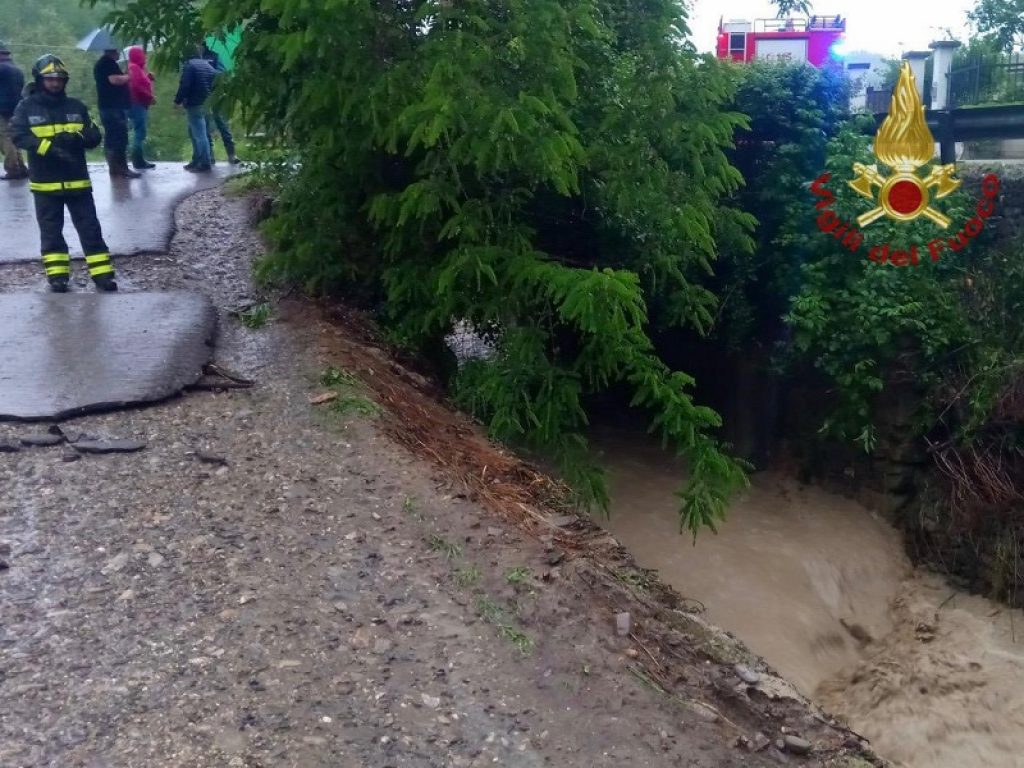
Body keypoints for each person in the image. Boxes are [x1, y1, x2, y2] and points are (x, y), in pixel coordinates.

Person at [11, 54, 118, 293]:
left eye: (59, 79)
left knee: (91, 230)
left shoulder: (76, 106)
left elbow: (94, 135)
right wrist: (48, 148)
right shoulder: (26, 107)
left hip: (78, 182)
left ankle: (103, 276)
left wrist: (78, 137)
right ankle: (57, 277)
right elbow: (18, 135)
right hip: (45, 185)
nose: (55, 83)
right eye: (50, 79)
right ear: (40, 80)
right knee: (51, 233)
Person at [94, 47, 140, 178]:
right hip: (113, 107)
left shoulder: (103, 64)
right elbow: (114, 80)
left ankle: (115, 168)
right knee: (119, 137)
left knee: (112, 137)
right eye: (117, 51)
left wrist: (124, 75)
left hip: (108, 106)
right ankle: (121, 168)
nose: (119, 53)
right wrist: (128, 77)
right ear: (112, 52)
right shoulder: (107, 63)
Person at [173, 46, 217, 173]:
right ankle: (197, 160)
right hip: (207, 103)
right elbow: (215, 84)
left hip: (194, 103)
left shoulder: (190, 66)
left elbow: (185, 85)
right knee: (196, 132)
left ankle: (204, 163)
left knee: (199, 134)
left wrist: (177, 101)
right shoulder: (208, 66)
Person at [200, 44, 239, 165]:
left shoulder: (214, 56)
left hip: (216, 94)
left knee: (222, 123)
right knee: (205, 126)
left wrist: (208, 70)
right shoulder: (193, 58)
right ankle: (210, 155)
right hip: (202, 95)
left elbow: (222, 73)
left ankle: (231, 154)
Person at [0, 41, 29, 180]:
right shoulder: (16, 69)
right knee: (13, 137)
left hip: (2, 109)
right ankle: (21, 167)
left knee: (5, 138)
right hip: (16, 109)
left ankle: (12, 169)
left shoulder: (1, 68)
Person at [127, 45, 156, 170]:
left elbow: (140, 82)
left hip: (138, 103)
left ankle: (139, 159)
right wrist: (149, 96)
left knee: (140, 131)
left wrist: (148, 78)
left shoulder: (137, 68)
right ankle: (138, 160)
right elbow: (136, 86)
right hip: (137, 103)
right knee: (140, 132)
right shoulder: (134, 68)